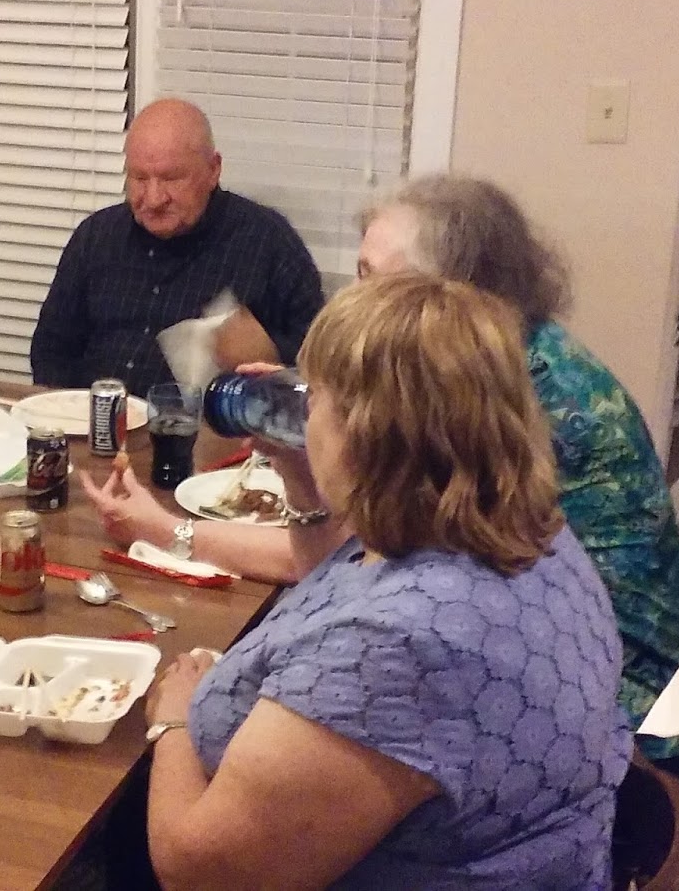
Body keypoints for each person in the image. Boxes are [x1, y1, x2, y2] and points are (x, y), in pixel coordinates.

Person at [85, 174, 679, 770]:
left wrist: (167, 531)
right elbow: (353, 558)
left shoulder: (508, 400)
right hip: (536, 674)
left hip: (621, 723)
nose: (353, 302)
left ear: (448, 294)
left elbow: (348, 557)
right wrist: (308, 429)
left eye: (376, 281)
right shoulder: (493, 360)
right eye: (359, 275)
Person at [141, 273, 631, 889]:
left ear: (369, 433)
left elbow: (199, 873)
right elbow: (339, 588)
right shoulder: (518, 526)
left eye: (316, 397)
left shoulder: (402, 647)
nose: (303, 410)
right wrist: (302, 473)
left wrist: (176, 721)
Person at [29, 98, 324, 396]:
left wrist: (270, 355)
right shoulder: (97, 236)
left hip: (201, 423)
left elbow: (322, 371)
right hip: (95, 416)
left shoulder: (268, 242)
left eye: (171, 178)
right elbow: (51, 349)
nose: (154, 198)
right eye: (139, 178)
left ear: (213, 170)